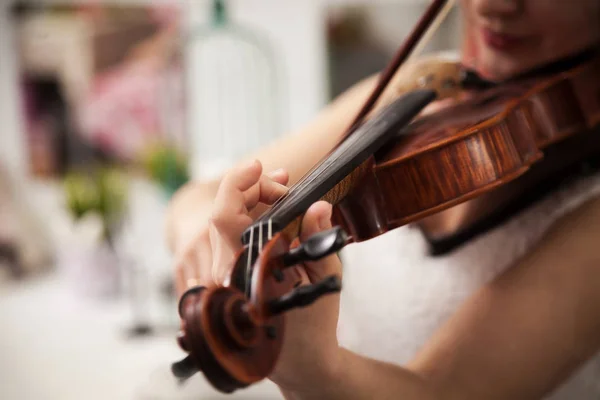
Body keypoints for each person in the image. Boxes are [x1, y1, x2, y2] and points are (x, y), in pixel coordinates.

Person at [166, 0, 600, 399]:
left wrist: (319, 366)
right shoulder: (423, 83)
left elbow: (444, 392)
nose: (492, 6)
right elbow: (196, 198)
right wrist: (202, 235)